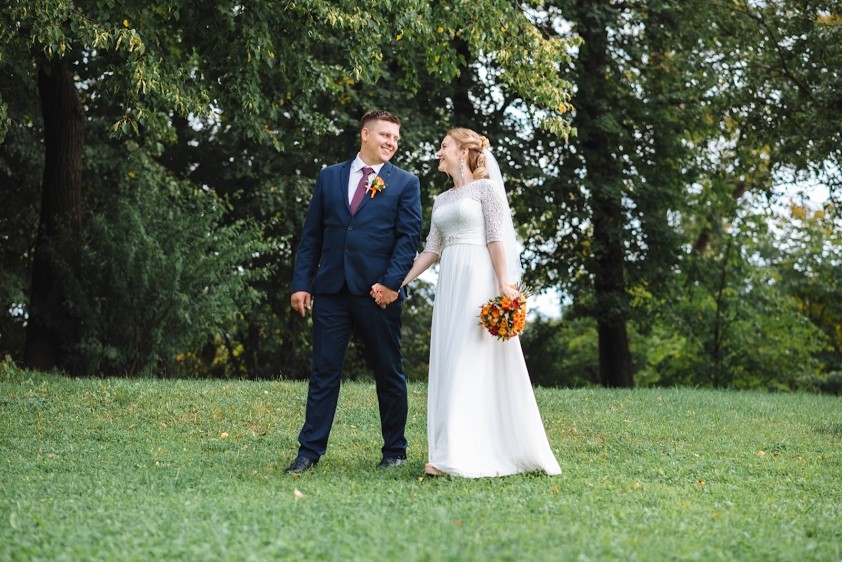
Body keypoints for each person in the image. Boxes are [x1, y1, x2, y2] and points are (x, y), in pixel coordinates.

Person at [400, 128, 561, 478]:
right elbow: (431, 249)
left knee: (467, 357)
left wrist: (504, 283)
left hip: (478, 277)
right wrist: (398, 282)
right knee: (448, 357)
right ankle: (448, 449)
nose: (439, 152)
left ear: (462, 151)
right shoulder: (441, 200)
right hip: (450, 281)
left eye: (444, 146)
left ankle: (456, 455)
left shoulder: (486, 190)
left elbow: (496, 238)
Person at [285, 110, 422, 474]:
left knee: (388, 372)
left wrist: (391, 285)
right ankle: (308, 452)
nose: (391, 142)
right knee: (323, 372)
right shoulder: (329, 176)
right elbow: (312, 235)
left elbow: (407, 241)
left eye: (395, 138)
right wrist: (302, 283)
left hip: (378, 295)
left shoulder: (405, 183)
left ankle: (395, 450)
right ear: (365, 134)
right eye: (385, 135)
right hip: (331, 290)